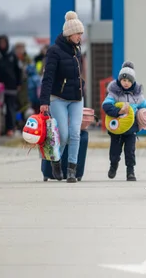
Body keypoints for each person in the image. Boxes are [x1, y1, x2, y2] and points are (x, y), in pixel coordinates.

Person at [39, 11, 85, 183]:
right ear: (69, 34)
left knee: (75, 133)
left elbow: (77, 73)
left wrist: (82, 86)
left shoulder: (77, 50)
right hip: (58, 98)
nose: (80, 36)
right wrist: (44, 102)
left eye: (81, 33)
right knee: (63, 135)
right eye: (78, 33)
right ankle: (55, 162)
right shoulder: (54, 51)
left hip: (76, 98)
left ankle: (72, 170)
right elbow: (48, 78)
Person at [102, 61, 146, 181]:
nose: (126, 83)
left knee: (130, 151)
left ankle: (130, 171)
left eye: (129, 81)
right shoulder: (114, 93)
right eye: (124, 80)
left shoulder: (137, 95)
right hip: (117, 127)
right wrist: (118, 111)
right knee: (115, 150)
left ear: (133, 82)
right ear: (120, 80)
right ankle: (113, 165)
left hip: (131, 128)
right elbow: (106, 105)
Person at [0, 34, 22, 136]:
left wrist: (19, 83)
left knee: (10, 108)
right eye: (1, 43)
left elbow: (18, 70)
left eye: (4, 42)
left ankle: (10, 128)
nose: (2, 45)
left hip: (11, 86)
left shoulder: (12, 55)